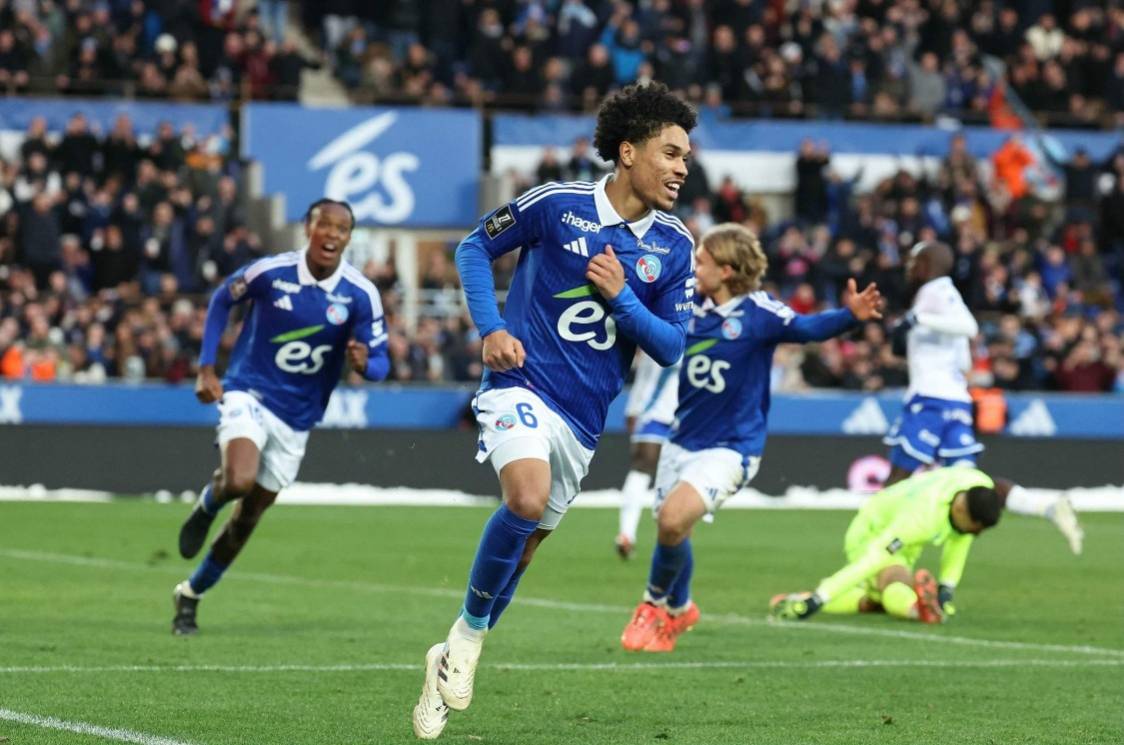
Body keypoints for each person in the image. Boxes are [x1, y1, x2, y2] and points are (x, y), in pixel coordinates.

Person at [413, 82, 698, 740]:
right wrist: (490, 328)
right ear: (628, 152)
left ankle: (451, 650)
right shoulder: (556, 204)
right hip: (519, 384)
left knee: (525, 549)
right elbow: (473, 247)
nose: (683, 167)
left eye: (687, 157)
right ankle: (468, 643)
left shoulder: (675, 245)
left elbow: (671, 346)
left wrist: (624, 298)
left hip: (582, 418)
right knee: (524, 498)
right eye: (671, 152)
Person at [617, 222, 883, 654]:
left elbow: (806, 328)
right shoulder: (689, 306)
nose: (694, 267)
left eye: (701, 260)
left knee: (672, 520)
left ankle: (652, 605)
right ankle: (681, 608)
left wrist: (849, 315)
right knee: (675, 529)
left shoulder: (759, 312)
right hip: (681, 441)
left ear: (725, 270)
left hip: (731, 447)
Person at [171, 199, 389, 635]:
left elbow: (381, 363)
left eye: (341, 228)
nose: (331, 234)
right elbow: (221, 299)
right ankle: (208, 504)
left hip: (298, 418)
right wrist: (206, 367)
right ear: (307, 228)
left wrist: (366, 364)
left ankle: (190, 594)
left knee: (248, 518)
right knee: (238, 480)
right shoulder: (270, 273)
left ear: (349, 238)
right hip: (249, 391)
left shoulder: (360, 294)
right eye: (324, 224)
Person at [883, 241, 1084, 554]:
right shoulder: (942, 296)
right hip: (956, 401)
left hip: (930, 399)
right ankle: (1045, 506)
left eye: (914, 261)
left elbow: (968, 326)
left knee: (898, 476)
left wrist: (916, 321)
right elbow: (963, 359)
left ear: (927, 264)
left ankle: (875, 547)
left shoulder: (936, 292)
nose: (909, 268)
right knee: (972, 484)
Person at [769, 466, 1005, 624]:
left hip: (906, 532)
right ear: (960, 509)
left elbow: (961, 538)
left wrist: (946, 588)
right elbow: (872, 559)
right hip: (871, 531)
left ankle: (801, 599)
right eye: (976, 528)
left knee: (876, 601)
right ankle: (917, 610)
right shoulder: (919, 520)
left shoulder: (980, 485)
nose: (977, 535)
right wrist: (820, 597)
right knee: (895, 579)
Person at [615, 349, 680, 559]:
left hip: (665, 415)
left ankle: (629, 533)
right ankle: (629, 533)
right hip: (658, 414)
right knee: (645, 469)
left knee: (647, 472)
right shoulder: (682, 338)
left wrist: (632, 409)